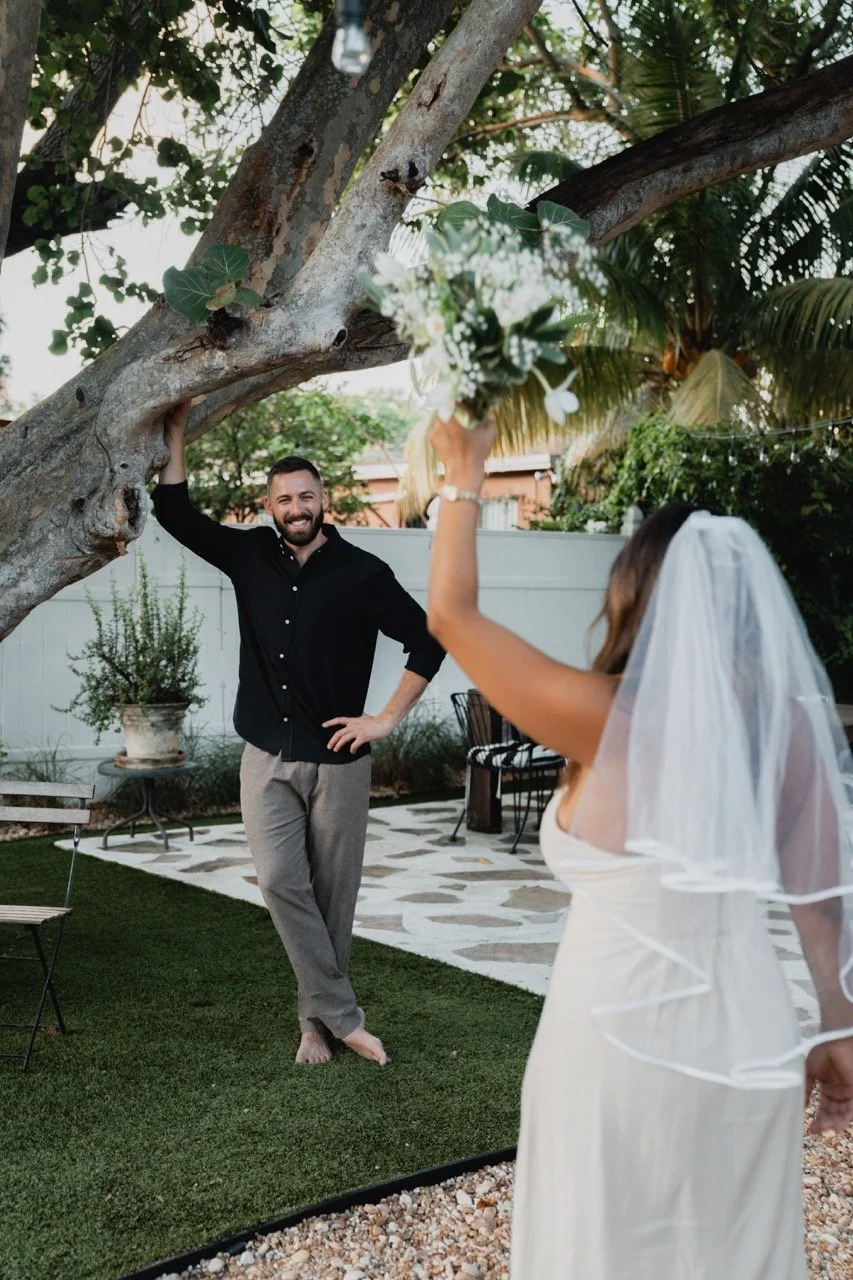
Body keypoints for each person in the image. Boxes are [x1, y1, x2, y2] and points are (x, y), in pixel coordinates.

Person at [426, 411, 853, 1279]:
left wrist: (464, 474)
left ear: (630, 595)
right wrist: (841, 1023)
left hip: (612, 1039)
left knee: (603, 1245)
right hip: (751, 1033)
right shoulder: (790, 728)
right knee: (733, 1252)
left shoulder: (605, 715)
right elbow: (819, 898)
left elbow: (449, 613)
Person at [153, 402, 445, 1066]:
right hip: (264, 754)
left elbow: (428, 640)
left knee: (332, 896)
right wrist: (174, 432)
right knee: (281, 880)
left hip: (340, 761)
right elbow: (176, 514)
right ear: (270, 504)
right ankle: (343, 1017)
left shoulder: (363, 573)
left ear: (323, 500)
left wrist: (387, 717)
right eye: (283, 498)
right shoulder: (249, 554)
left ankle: (313, 1025)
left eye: (305, 495)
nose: (295, 506)